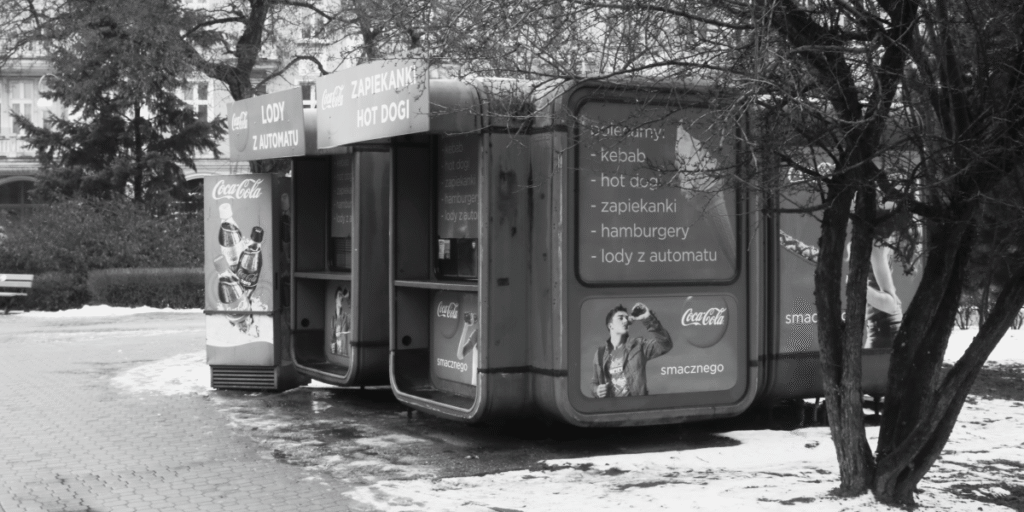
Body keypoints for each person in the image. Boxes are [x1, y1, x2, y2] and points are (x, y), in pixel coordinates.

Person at [591, 303, 673, 398]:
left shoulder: (638, 346)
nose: (625, 321)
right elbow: (594, 382)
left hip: (636, 407)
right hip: (611, 410)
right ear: (610, 326)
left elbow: (666, 344)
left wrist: (647, 318)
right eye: (620, 318)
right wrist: (596, 390)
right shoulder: (600, 353)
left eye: (626, 318)